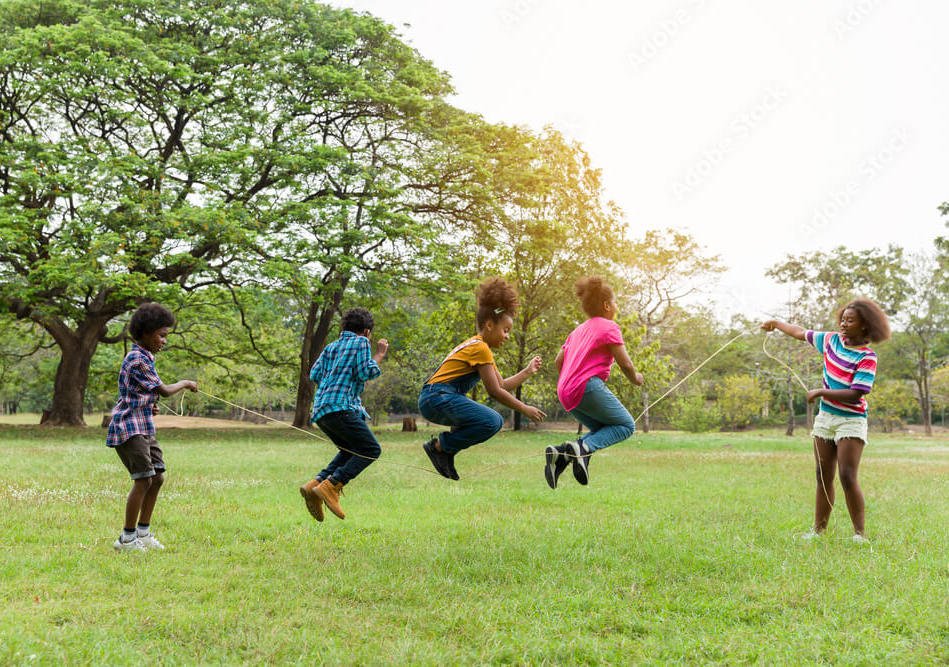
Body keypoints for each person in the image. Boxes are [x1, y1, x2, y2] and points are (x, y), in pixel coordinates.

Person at [761, 298, 890, 542]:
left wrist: (820, 392)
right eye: (843, 318)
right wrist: (776, 323)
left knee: (847, 475)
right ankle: (818, 531)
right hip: (826, 419)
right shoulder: (831, 341)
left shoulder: (867, 357)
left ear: (865, 325)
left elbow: (856, 393)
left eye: (850, 320)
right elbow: (800, 333)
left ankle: (860, 534)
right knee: (822, 475)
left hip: (851, 420)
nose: (843, 323)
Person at [419, 278, 546, 480]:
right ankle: (440, 447)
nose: (507, 336)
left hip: (434, 398)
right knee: (492, 421)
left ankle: (445, 451)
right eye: (505, 330)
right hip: (437, 397)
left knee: (488, 420)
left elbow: (502, 385)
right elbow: (494, 391)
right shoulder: (480, 348)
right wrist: (524, 408)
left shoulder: (478, 346)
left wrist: (527, 371)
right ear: (489, 325)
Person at [107, 303, 197, 552]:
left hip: (143, 424)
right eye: (161, 335)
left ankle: (143, 533)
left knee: (157, 477)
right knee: (143, 479)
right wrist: (186, 382)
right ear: (146, 333)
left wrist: (148, 405)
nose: (164, 340)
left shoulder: (147, 357)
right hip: (129, 428)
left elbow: (140, 393)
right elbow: (165, 391)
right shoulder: (137, 359)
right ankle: (126, 539)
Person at [544, 277, 644, 489]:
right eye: (615, 302)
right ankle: (583, 449)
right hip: (586, 386)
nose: (616, 306)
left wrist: (571, 378)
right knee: (626, 425)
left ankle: (560, 455)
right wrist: (636, 378)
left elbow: (558, 361)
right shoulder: (609, 326)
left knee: (604, 430)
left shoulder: (578, 330)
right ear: (607, 305)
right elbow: (625, 363)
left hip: (565, 392)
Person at [299, 307, 388, 522]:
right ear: (366, 332)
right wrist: (379, 355)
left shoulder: (331, 347)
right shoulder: (360, 343)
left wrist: (335, 380)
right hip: (341, 407)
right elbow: (365, 372)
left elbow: (315, 374)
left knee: (350, 450)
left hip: (321, 409)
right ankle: (331, 486)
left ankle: (315, 486)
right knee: (371, 449)